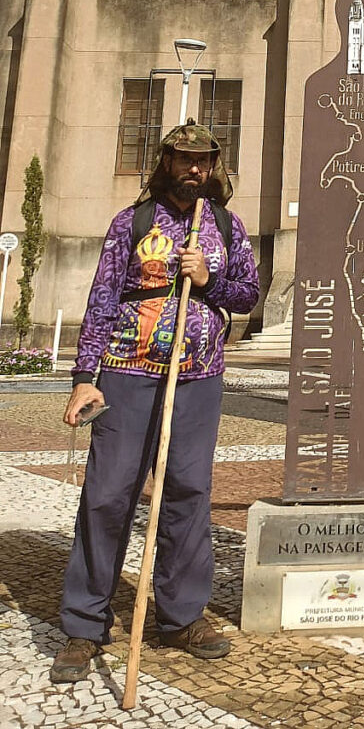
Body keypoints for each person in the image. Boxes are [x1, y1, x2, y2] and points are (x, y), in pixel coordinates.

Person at [50, 121, 260, 684]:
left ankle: (180, 616)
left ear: (214, 166)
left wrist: (208, 277)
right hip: (125, 373)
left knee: (188, 492)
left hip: (198, 377)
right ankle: (84, 623)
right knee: (107, 494)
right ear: (165, 161)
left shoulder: (225, 225)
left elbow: (247, 294)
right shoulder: (132, 223)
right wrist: (84, 376)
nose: (194, 169)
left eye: (204, 160)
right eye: (184, 158)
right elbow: (101, 298)